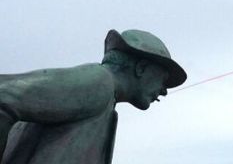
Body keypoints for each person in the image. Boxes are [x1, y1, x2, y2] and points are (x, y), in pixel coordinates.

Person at [0, 29, 187, 164]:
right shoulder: (98, 82)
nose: (164, 91)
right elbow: (5, 94)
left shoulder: (105, 99)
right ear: (141, 68)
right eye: (163, 79)